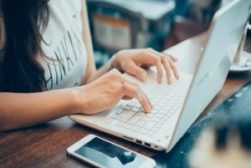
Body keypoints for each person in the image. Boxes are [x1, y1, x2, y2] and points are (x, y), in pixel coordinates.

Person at [0, 0, 179, 131]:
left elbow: (86, 80)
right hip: (25, 149)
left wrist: (115, 63)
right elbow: (83, 93)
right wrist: (79, 98)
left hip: (69, 137)